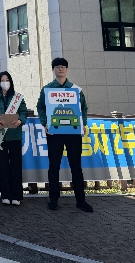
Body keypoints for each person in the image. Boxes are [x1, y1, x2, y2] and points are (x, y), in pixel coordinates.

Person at [37, 57, 93, 213]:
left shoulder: (76, 90)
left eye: (63, 67)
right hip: (54, 133)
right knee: (54, 166)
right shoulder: (47, 89)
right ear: (53, 70)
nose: (60, 69)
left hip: (73, 133)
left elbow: (84, 108)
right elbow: (40, 108)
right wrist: (45, 123)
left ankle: (81, 201)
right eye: (57, 67)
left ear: (67, 69)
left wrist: (83, 124)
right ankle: (53, 199)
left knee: (76, 166)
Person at [0, 71, 27, 206]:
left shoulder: (18, 97)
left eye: (7, 80)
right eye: (2, 80)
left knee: (16, 166)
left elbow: (23, 113)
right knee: (2, 166)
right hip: (0, 136)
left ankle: (16, 195)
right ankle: (5, 195)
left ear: (11, 82)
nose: (5, 83)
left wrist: (20, 121)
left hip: (15, 135)